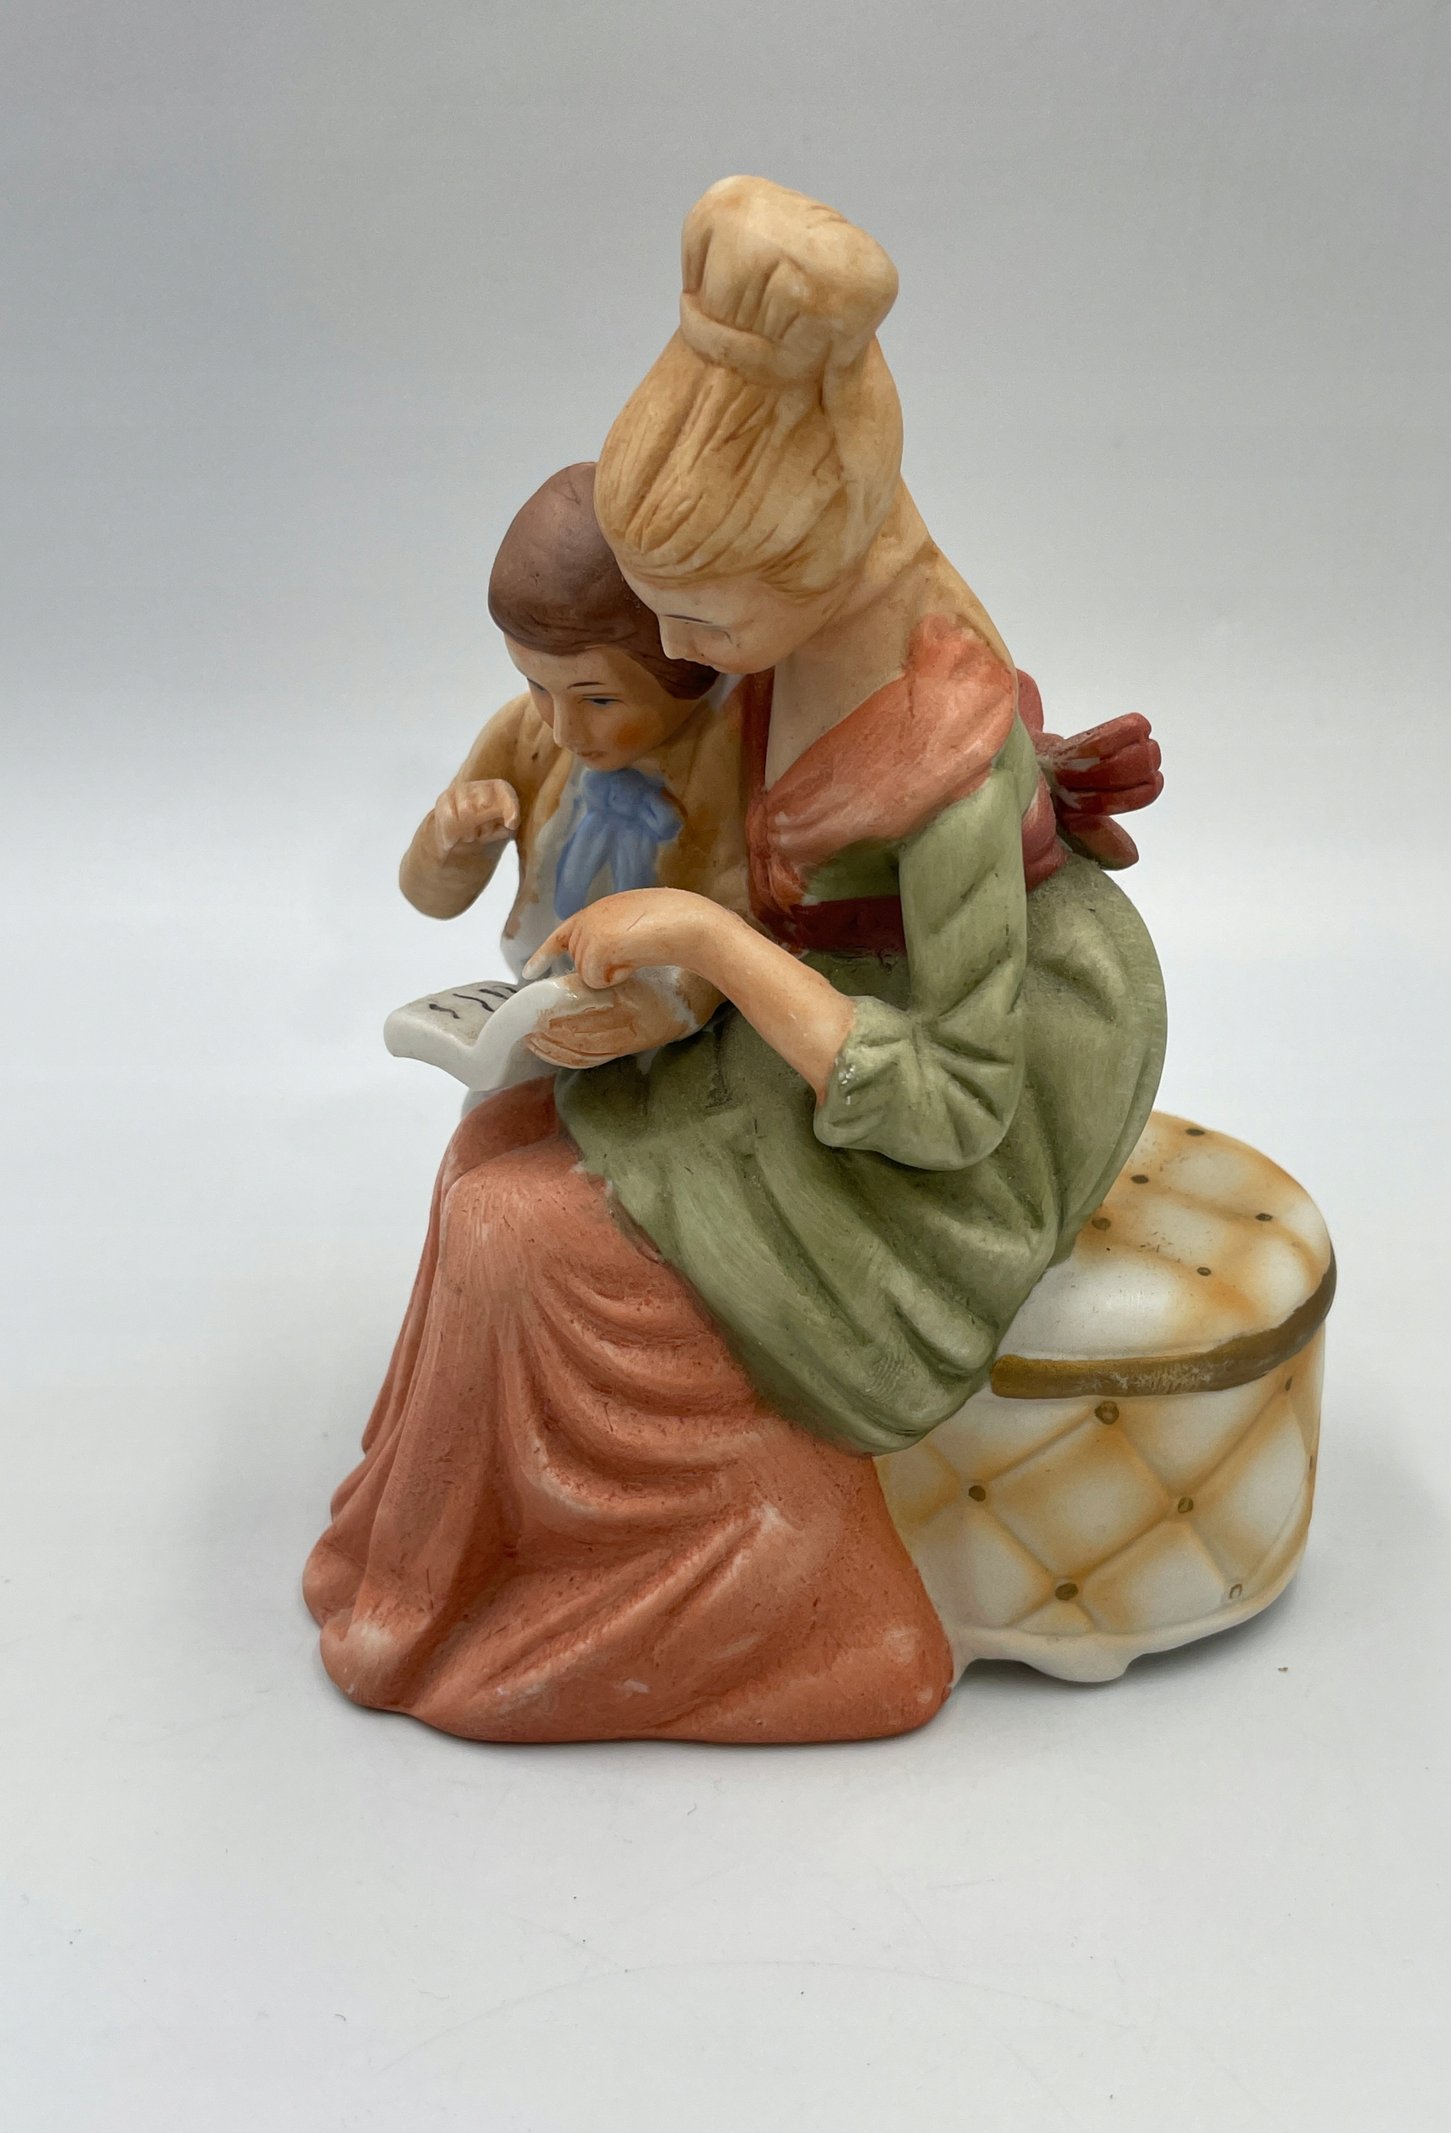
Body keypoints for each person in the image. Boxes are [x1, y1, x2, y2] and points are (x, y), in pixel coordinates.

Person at [304, 178, 1165, 1745]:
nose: (675, 657)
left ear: (817, 555)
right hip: (808, 1023)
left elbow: (957, 1104)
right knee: (493, 1144)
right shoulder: (771, 648)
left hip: (941, 1108)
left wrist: (701, 940)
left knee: (523, 1228)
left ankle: (811, 1595)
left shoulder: (941, 748)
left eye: (695, 618)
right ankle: (447, 1560)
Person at [397, 461, 746, 1064]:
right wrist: (452, 844)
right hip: (544, 1009)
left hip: (697, 1034)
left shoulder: (736, 750)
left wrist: (673, 1001)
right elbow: (430, 900)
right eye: (536, 685)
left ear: (688, 662)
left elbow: (755, 923)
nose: (563, 729)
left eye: (600, 700)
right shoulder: (523, 735)